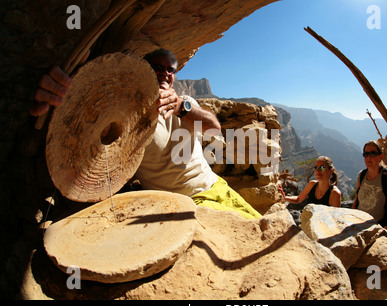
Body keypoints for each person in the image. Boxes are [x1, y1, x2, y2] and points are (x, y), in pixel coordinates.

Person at [31, 48, 262, 220]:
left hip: (215, 186)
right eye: (158, 68)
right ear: (144, 70)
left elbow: (214, 127)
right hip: (182, 204)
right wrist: (65, 94)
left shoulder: (186, 104)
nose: (165, 74)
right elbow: (94, 131)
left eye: (170, 70)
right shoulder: (125, 115)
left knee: (258, 224)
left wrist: (183, 107)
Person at [352, 140, 387, 225]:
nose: (368, 158)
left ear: (380, 157)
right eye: (366, 154)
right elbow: (356, 200)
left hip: (375, 226)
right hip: (357, 222)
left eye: (372, 154)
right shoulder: (362, 175)